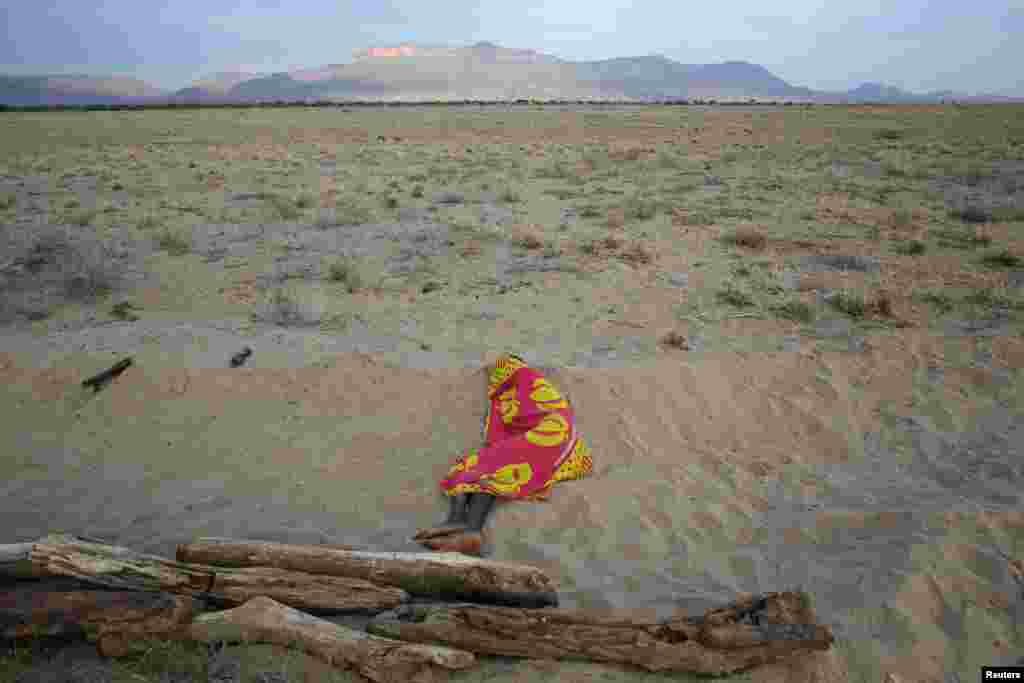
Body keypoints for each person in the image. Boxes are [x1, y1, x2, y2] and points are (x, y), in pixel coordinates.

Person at [413, 353, 593, 556]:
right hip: (547, 439)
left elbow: (526, 418)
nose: (494, 381)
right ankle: (456, 521)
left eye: (496, 375)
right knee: (470, 465)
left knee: (492, 468)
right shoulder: (520, 388)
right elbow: (516, 424)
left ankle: (472, 533)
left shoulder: (526, 382)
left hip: (552, 439)